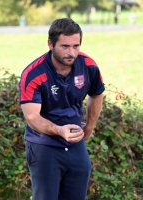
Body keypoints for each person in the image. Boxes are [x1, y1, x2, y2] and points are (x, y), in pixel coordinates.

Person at [19, 18, 105, 200]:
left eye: (76, 46)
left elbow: (97, 94)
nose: (71, 52)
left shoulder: (88, 65)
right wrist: (59, 130)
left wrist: (89, 127)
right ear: (50, 44)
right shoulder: (33, 73)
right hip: (44, 145)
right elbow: (32, 117)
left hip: (75, 144)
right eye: (65, 46)